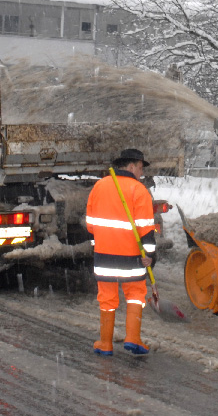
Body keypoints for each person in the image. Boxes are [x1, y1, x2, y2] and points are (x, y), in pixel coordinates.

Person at [85, 147, 158, 355]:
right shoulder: (139, 190)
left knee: (107, 299)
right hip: (131, 258)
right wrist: (150, 255)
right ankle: (133, 339)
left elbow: (90, 224)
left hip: (104, 256)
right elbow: (146, 229)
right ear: (132, 166)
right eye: (141, 168)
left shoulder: (99, 186)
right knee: (135, 295)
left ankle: (105, 344)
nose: (142, 173)